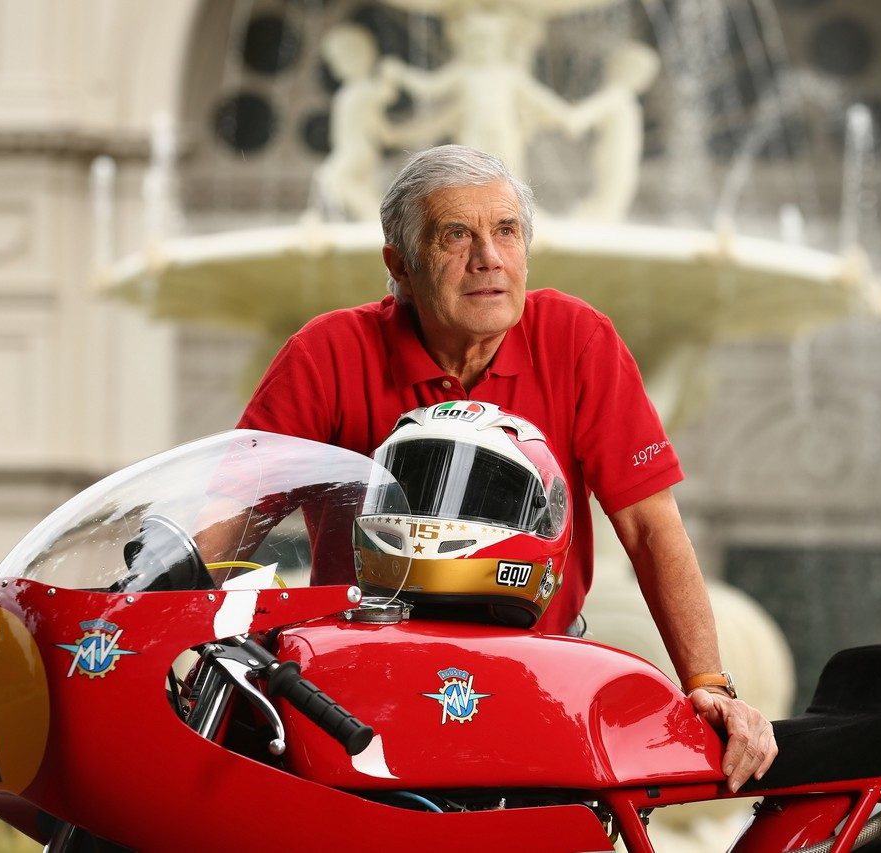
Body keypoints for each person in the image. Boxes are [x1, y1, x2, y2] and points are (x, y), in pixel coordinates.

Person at [238, 144, 776, 791]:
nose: (487, 257)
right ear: (400, 266)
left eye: (507, 231)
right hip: (362, 688)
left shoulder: (578, 339)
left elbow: (649, 526)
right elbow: (232, 513)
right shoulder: (328, 351)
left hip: (534, 682)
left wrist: (709, 684)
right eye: (455, 235)